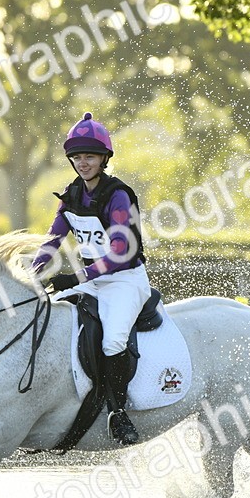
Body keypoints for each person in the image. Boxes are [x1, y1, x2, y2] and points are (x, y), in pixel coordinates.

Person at [31, 111, 151, 446]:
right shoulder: (71, 196)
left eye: (90, 157)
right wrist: (32, 273)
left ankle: (118, 412)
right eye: (78, 157)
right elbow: (52, 240)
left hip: (126, 280)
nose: (83, 163)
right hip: (93, 280)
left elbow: (120, 250)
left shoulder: (118, 196)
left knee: (112, 341)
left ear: (104, 159)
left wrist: (79, 276)